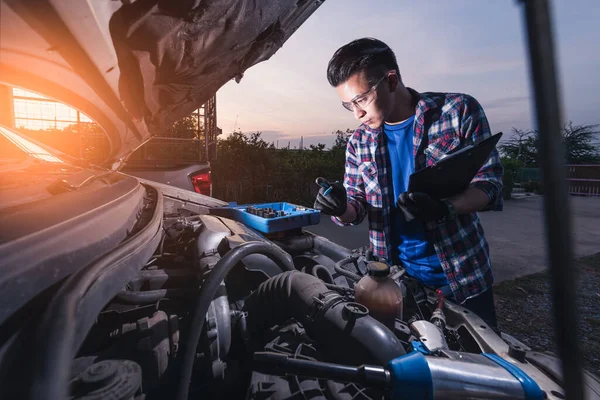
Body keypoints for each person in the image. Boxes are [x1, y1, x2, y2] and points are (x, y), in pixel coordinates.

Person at [313, 38, 504, 328]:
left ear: (390, 81)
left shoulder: (457, 111)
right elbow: (356, 209)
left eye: (361, 99)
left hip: (463, 276)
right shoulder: (358, 142)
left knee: (479, 366)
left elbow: (489, 185)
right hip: (392, 283)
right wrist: (339, 207)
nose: (357, 113)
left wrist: (445, 208)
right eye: (348, 105)